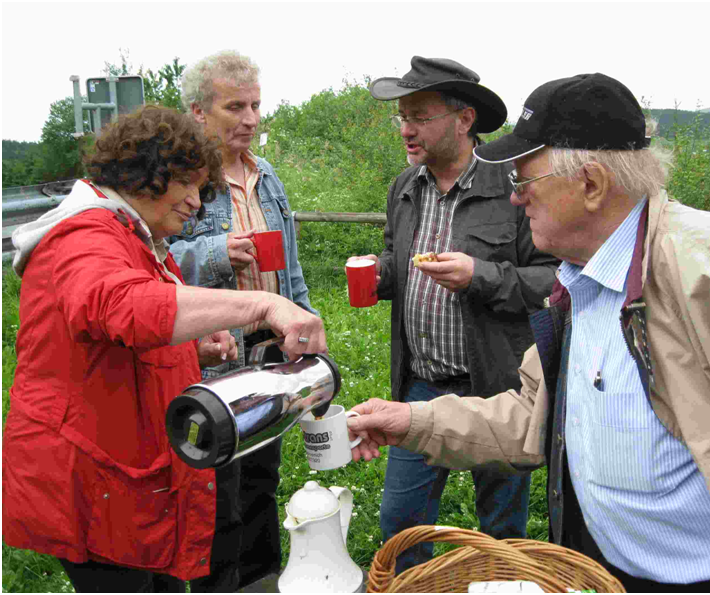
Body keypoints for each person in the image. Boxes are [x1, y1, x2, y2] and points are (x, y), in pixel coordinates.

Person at [347, 73, 710, 593]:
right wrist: (411, 420)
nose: (514, 199)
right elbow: (532, 417)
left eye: (523, 180)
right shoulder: (577, 282)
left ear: (592, 184)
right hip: (601, 573)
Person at [2, 105, 326, 594]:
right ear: (147, 175)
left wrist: (191, 349)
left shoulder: (135, 235)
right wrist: (260, 304)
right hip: (88, 480)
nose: (196, 202)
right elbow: (120, 304)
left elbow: (115, 341)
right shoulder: (84, 235)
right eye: (187, 184)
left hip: (123, 475)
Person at [347, 56, 559, 573]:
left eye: (419, 115)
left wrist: (480, 276)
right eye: (401, 116)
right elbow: (401, 260)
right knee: (401, 521)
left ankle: (502, 584)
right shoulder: (406, 187)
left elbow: (556, 281)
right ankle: (415, 585)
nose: (405, 128)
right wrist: (382, 274)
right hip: (421, 385)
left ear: (464, 120)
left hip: (500, 387)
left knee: (503, 529)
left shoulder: (512, 187)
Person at [168, 50, 318, 591]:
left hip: (268, 351)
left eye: (255, 105)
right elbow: (152, 262)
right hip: (214, 356)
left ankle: (261, 579)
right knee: (217, 488)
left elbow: (290, 266)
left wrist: (305, 320)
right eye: (236, 106)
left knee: (262, 474)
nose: (251, 118)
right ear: (198, 113)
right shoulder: (182, 178)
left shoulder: (266, 174)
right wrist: (212, 252)